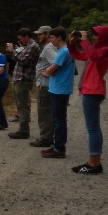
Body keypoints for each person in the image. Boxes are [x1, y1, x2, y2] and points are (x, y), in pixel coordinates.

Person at [67, 26, 108, 175]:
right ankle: (93, 162)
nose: (93, 37)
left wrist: (85, 41)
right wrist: (71, 44)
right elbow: (78, 55)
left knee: (93, 128)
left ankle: (94, 163)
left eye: (96, 36)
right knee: (92, 127)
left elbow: (93, 56)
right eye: (92, 35)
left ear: (104, 37)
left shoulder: (105, 51)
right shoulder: (95, 50)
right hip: (90, 90)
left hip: (94, 90)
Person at [40, 27, 74, 159]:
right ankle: (56, 145)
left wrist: (46, 72)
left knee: (59, 120)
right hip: (59, 88)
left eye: (52, 37)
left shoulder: (63, 52)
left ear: (59, 37)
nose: (50, 40)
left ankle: (59, 148)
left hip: (59, 89)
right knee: (57, 118)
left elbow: (53, 68)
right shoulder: (65, 50)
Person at [5, 28, 40, 139]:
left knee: (23, 105)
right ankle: (22, 128)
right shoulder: (26, 46)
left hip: (24, 79)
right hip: (18, 79)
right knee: (20, 105)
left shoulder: (33, 46)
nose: (20, 40)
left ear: (26, 36)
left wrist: (12, 51)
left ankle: (24, 130)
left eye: (21, 38)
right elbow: (17, 58)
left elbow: (24, 61)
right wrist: (14, 51)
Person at [30, 25, 57, 148]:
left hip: (44, 85)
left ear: (47, 34)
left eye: (40, 34)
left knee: (44, 112)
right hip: (45, 84)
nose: (38, 36)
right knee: (46, 111)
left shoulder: (48, 48)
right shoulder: (49, 47)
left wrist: (47, 72)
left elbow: (57, 62)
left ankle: (46, 138)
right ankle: (47, 136)